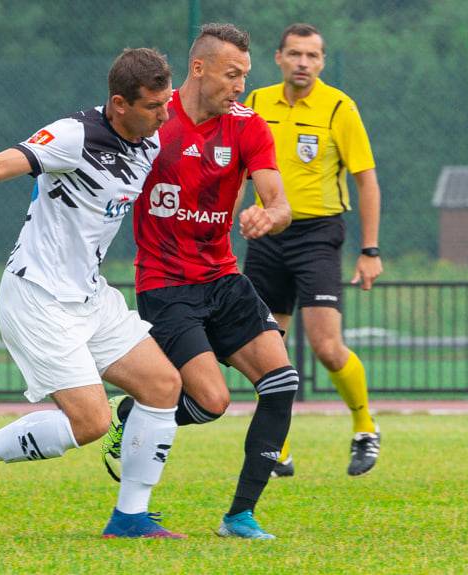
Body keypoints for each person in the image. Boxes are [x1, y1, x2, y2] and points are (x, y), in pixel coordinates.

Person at [0, 48, 186, 538]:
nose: (165, 114)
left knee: (163, 386)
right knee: (91, 422)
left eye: (167, 102)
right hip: (39, 298)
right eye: (154, 106)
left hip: (90, 296)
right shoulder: (74, 135)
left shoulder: (148, 139)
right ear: (119, 103)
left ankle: (130, 518)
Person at [102, 24, 298, 540]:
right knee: (211, 403)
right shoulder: (153, 122)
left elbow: (279, 200)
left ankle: (240, 516)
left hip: (223, 278)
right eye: (232, 75)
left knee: (282, 384)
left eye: (246, 76)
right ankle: (135, 414)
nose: (240, 85)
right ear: (198, 68)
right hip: (166, 285)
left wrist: (268, 215)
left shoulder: (249, 126)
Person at [243, 23, 383, 478]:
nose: (304, 63)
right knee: (265, 348)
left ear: (322, 62)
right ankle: (277, 443)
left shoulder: (339, 106)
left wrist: (370, 250)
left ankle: (364, 427)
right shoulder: (256, 103)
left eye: (313, 56)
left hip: (318, 235)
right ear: (279, 57)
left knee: (326, 346)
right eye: (296, 54)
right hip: (266, 234)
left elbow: (366, 180)